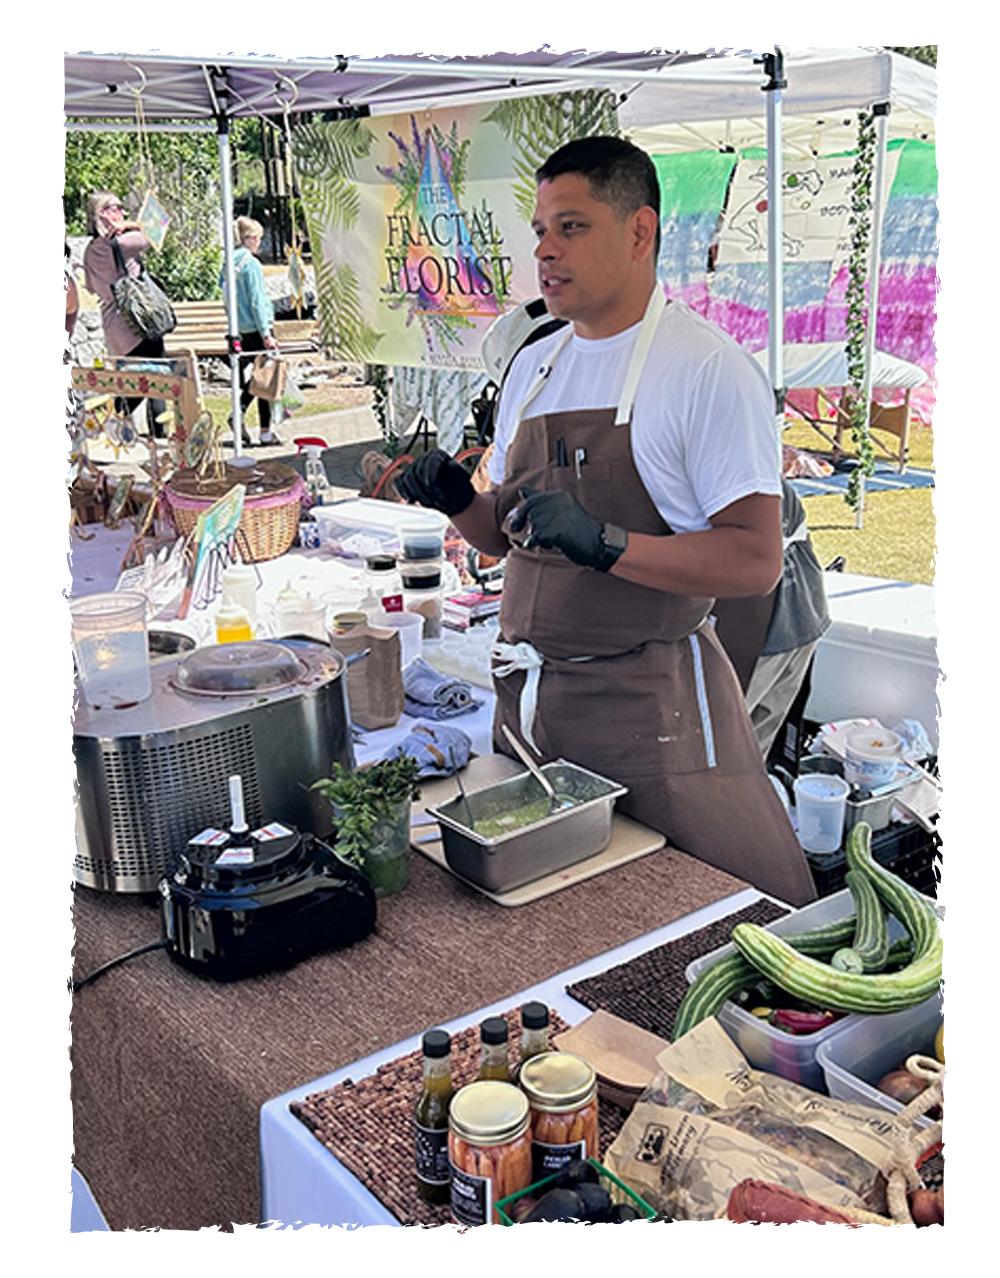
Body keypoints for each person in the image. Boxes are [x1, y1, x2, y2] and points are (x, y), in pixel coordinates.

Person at [398, 136, 817, 907]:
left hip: (652, 714)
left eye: (572, 227)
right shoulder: (536, 364)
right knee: (551, 920)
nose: (545, 252)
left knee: (699, 915)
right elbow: (506, 539)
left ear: (639, 232)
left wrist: (609, 544)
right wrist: (460, 500)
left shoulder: (704, 370)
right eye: (540, 232)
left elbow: (754, 560)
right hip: (533, 710)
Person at [715, 480, 831, 759]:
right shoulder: (758, 471)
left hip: (771, 626)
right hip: (803, 610)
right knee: (753, 746)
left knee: (725, 744)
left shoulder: (739, 480)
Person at [82, 192, 168, 435]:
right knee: (154, 380)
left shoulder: (91, 250)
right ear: (103, 213)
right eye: (115, 208)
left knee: (142, 379)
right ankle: (125, 428)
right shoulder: (122, 243)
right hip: (140, 322)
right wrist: (130, 225)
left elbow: (91, 286)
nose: (121, 212)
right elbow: (159, 227)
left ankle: (123, 428)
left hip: (113, 324)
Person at [227, 216, 281, 447]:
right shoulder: (251, 264)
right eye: (257, 238)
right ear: (249, 239)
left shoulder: (229, 263)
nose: (259, 242)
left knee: (256, 377)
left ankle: (240, 414)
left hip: (238, 327)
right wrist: (266, 331)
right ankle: (263, 430)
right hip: (256, 328)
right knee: (265, 378)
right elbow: (258, 299)